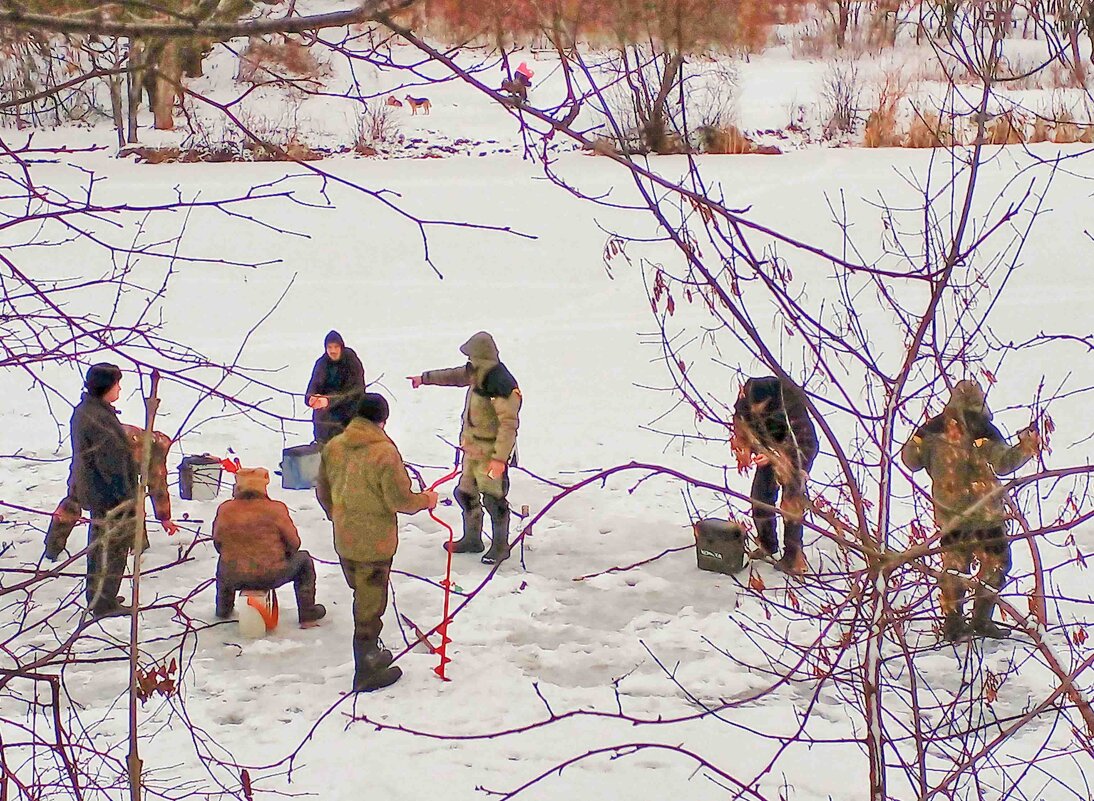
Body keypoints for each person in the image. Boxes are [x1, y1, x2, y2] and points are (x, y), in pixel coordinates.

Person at [901, 380, 1040, 642]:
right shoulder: (983, 430)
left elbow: (910, 461)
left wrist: (917, 438)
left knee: (953, 568)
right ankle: (981, 620)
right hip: (986, 517)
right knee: (996, 565)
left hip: (949, 515)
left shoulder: (932, 430)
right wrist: (1025, 447)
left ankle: (953, 623)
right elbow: (1003, 464)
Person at [317, 394, 438, 692]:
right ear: (382, 420)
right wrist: (427, 500)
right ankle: (367, 669)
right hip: (375, 542)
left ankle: (371, 652)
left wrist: (339, 516)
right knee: (370, 604)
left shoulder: (333, 446)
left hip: (344, 538)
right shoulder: (384, 452)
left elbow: (322, 490)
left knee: (361, 594)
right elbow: (400, 500)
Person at [408, 332, 521, 565]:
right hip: (473, 449)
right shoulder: (476, 373)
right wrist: (424, 378)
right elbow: (453, 376)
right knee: (465, 492)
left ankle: (501, 546)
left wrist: (500, 459)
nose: (468, 362)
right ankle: (472, 538)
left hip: (491, 451)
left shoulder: (500, 384)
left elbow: (508, 424)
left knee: (494, 499)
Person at [67, 364, 140, 618]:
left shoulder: (89, 411)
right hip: (110, 496)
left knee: (100, 545)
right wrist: (126, 497)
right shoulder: (97, 418)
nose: (120, 388)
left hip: (98, 492)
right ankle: (104, 602)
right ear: (106, 386)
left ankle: (99, 594)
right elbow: (110, 462)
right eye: (117, 384)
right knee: (113, 548)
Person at [212, 467, 326, 627]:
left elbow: (218, 542)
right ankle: (307, 613)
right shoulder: (276, 509)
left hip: (234, 577)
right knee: (304, 560)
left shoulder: (225, 510)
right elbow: (294, 543)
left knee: (224, 562)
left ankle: (223, 609)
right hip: (270, 575)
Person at [45, 425, 178, 561]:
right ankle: (137, 545)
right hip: (110, 468)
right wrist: (164, 517)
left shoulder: (136, 433)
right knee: (131, 501)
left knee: (73, 500)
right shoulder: (154, 451)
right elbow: (158, 487)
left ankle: (53, 547)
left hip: (86, 458)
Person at [731, 375, 818, 576]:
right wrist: (747, 447)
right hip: (767, 448)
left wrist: (780, 459)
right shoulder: (745, 403)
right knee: (760, 496)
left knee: (791, 502)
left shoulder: (791, 404)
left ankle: (793, 555)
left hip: (795, 452)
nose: (756, 412)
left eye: (761, 408)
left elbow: (806, 442)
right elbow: (741, 427)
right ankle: (767, 544)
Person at [305, 330, 366, 444]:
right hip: (326, 413)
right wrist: (311, 398)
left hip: (350, 408)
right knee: (321, 416)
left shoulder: (351, 361)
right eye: (329, 347)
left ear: (341, 347)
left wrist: (329, 400)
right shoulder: (322, 363)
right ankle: (322, 445)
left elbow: (353, 391)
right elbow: (314, 384)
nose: (333, 351)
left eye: (336, 347)